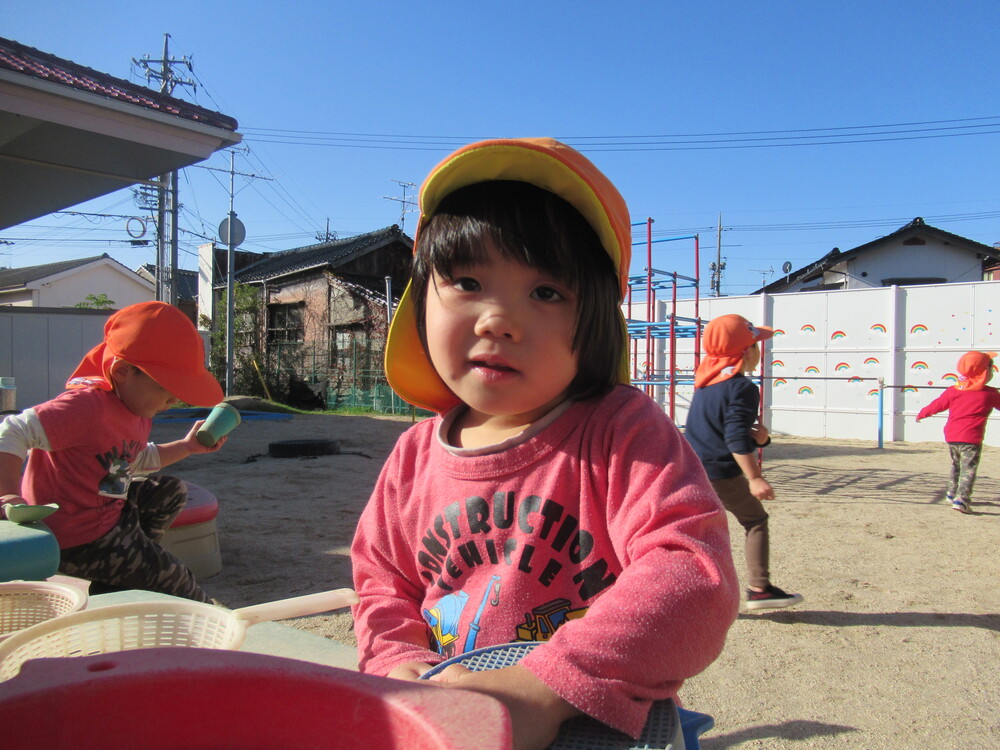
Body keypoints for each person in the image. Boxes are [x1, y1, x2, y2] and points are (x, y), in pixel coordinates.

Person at [350, 138, 739, 750]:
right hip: (451, 713)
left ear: (596, 324)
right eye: (467, 280)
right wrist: (395, 656)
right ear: (420, 300)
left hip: (586, 715)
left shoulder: (620, 433)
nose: (498, 319)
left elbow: (692, 575)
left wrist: (548, 685)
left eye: (547, 292)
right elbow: (383, 581)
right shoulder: (414, 457)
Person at [0, 301, 227, 602]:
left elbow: (134, 460)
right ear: (122, 371)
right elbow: (12, 430)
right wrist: (7, 495)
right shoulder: (86, 407)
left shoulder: (135, 411)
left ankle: (121, 576)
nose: (172, 401)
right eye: (166, 390)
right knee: (172, 576)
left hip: (107, 515)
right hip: (72, 538)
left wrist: (187, 446)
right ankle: (191, 607)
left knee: (169, 490)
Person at [684, 313, 803, 611]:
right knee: (755, 521)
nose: (758, 353)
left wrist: (761, 440)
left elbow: (716, 432)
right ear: (746, 352)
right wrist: (755, 478)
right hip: (720, 472)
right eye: (755, 346)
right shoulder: (743, 388)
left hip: (692, 469)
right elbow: (734, 438)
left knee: (700, 536)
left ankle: (690, 597)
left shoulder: (705, 384)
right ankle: (760, 589)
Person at [916, 350, 1000, 514]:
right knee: (969, 469)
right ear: (985, 372)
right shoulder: (989, 394)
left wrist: (922, 413)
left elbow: (938, 404)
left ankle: (951, 493)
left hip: (952, 436)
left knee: (956, 465)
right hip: (971, 439)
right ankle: (962, 500)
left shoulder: (954, 390)